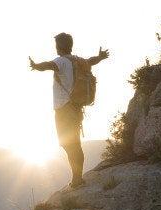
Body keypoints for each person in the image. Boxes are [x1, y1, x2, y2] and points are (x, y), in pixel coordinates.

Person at [29, 32, 109, 189]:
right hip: (76, 108)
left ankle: (77, 179)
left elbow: (48, 65)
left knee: (70, 144)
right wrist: (100, 57)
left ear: (59, 46)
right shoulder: (78, 61)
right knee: (73, 143)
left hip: (64, 109)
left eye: (56, 46)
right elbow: (91, 61)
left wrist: (36, 66)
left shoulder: (61, 61)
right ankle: (77, 177)